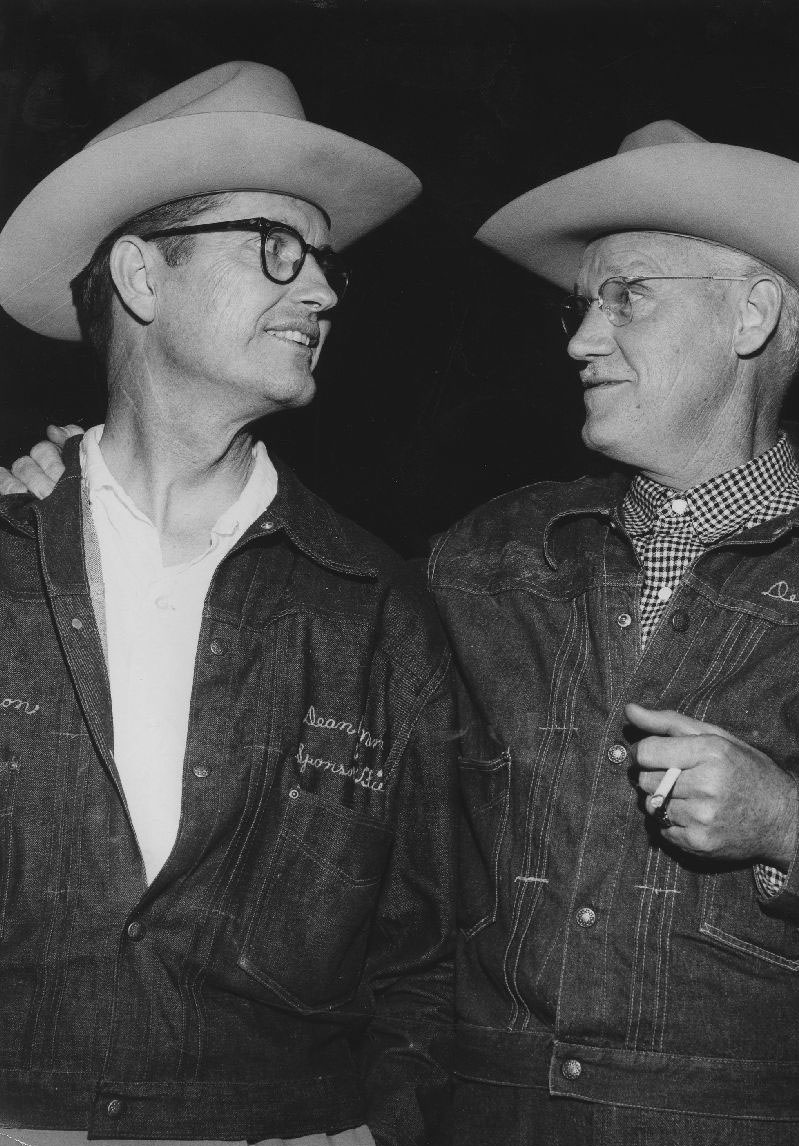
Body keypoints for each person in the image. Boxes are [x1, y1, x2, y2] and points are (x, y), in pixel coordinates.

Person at [424, 121, 799, 1143]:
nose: (579, 339)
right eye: (579, 304)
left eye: (627, 295)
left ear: (751, 314)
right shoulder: (484, 559)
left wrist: (789, 824)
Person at [0, 61, 456, 1146]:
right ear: (143, 279)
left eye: (326, 263)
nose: (323, 291)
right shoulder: (10, 559)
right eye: (275, 250)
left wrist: (377, 1132)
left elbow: (432, 955)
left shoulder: (373, 610)